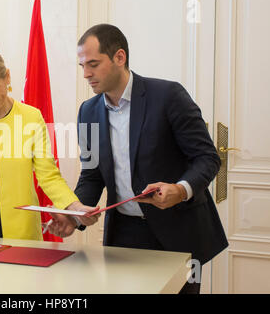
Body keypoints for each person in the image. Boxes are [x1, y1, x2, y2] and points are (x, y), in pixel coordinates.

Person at [69, 24, 228, 294]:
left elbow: (207, 158)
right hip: (123, 235)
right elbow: (92, 175)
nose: (86, 74)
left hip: (178, 232)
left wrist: (181, 189)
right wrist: (74, 212)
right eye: (82, 65)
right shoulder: (87, 111)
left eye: (93, 64)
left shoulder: (168, 96)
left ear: (120, 57)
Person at [0, 48, 99, 243]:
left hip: (22, 237)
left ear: (7, 77)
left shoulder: (31, 117)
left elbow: (48, 176)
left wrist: (75, 207)